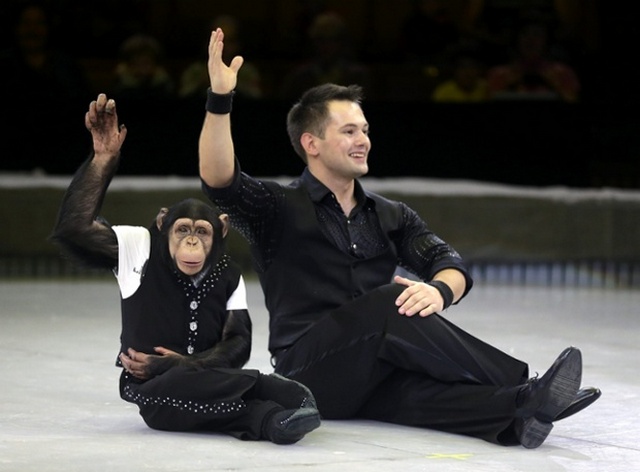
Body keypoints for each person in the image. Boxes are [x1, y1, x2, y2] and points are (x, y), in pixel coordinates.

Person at [198, 28, 601, 449]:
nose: (363, 141)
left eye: (365, 130)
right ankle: (527, 386)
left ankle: (518, 413)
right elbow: (219, 179)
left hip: (371, 372)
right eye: (349, 131)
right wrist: (220, 99)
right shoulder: (276, 205)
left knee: (417, 393)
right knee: (392, 300)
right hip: (308, 372)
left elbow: (449, 262)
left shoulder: (392, 214)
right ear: (311, 143)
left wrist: (439, 291)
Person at [49, 93, 320, 445]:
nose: (191, 243)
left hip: (207, 380)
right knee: (175, 390)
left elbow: (237, 344)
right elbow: (73, 230)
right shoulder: (141, 247)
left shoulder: (227, 273)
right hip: (153, 387)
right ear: (163, 225)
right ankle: (274, 403)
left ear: (222, 230)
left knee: (197, 381)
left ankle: (277, 414)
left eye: (201, 233)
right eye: (183, 231)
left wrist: (183, 363)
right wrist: (102, 160)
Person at [278, 11, 372, 101]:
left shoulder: (357, 76)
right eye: (321, 40)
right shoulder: (299, 77)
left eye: (332, 40)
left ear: (341, 43)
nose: (326, 46)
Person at [110, 33, 175, 101]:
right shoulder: (120, 86)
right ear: (128, 65)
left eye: (146, 63)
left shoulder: (164, 85)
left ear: (155, 64)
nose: (142, 69)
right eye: (136, 63)